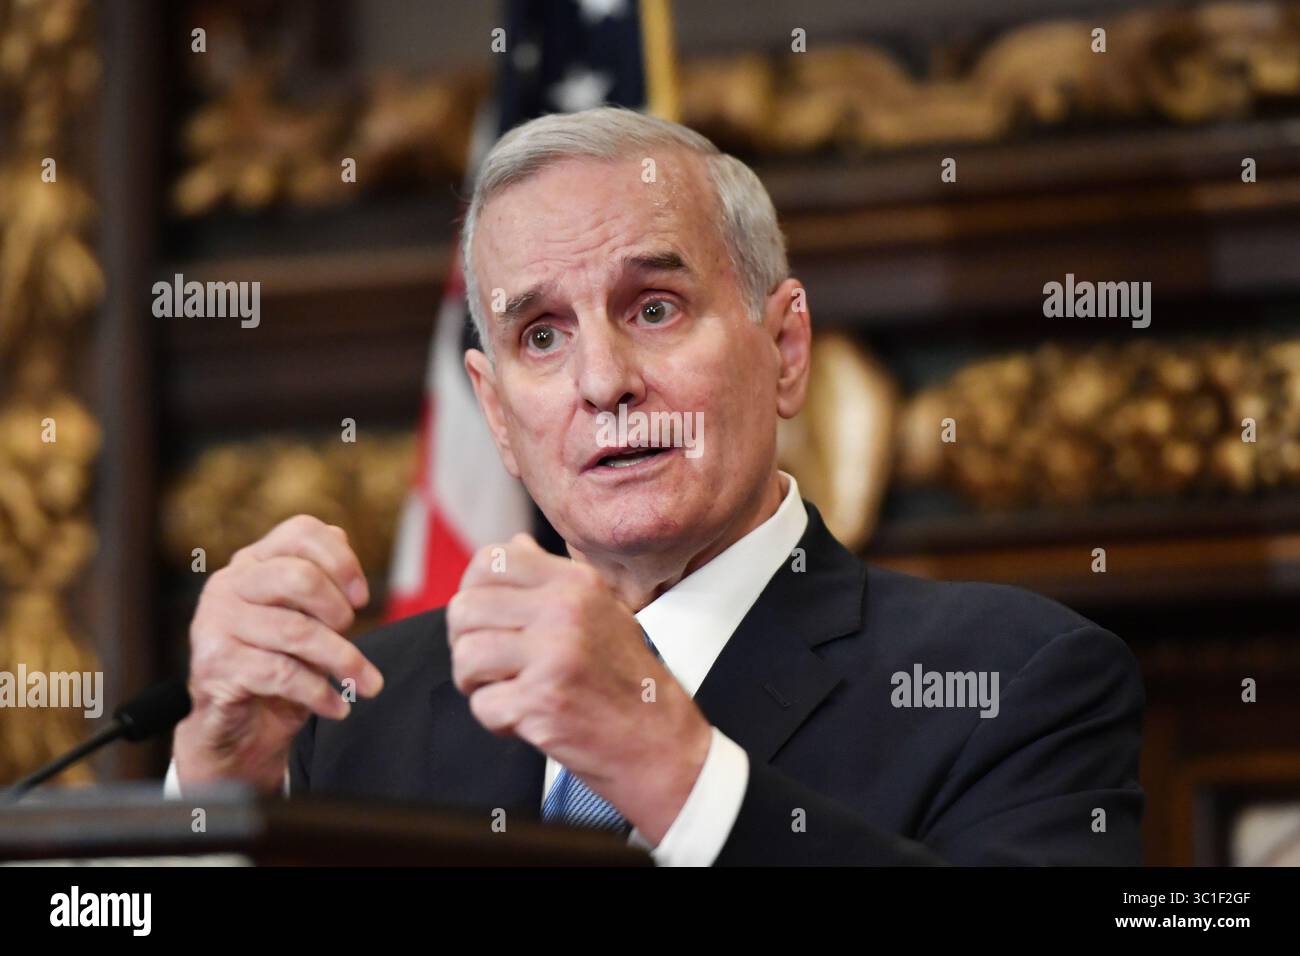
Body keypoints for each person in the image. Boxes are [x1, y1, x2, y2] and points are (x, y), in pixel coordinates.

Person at [167, 107, 1145, 866]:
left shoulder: (1016, 682)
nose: (604, 381)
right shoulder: (362, 718)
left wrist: (667, 769)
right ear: (497, 414)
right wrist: (218, 796)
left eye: (655, 306)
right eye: (540, 335)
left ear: (785, 348)